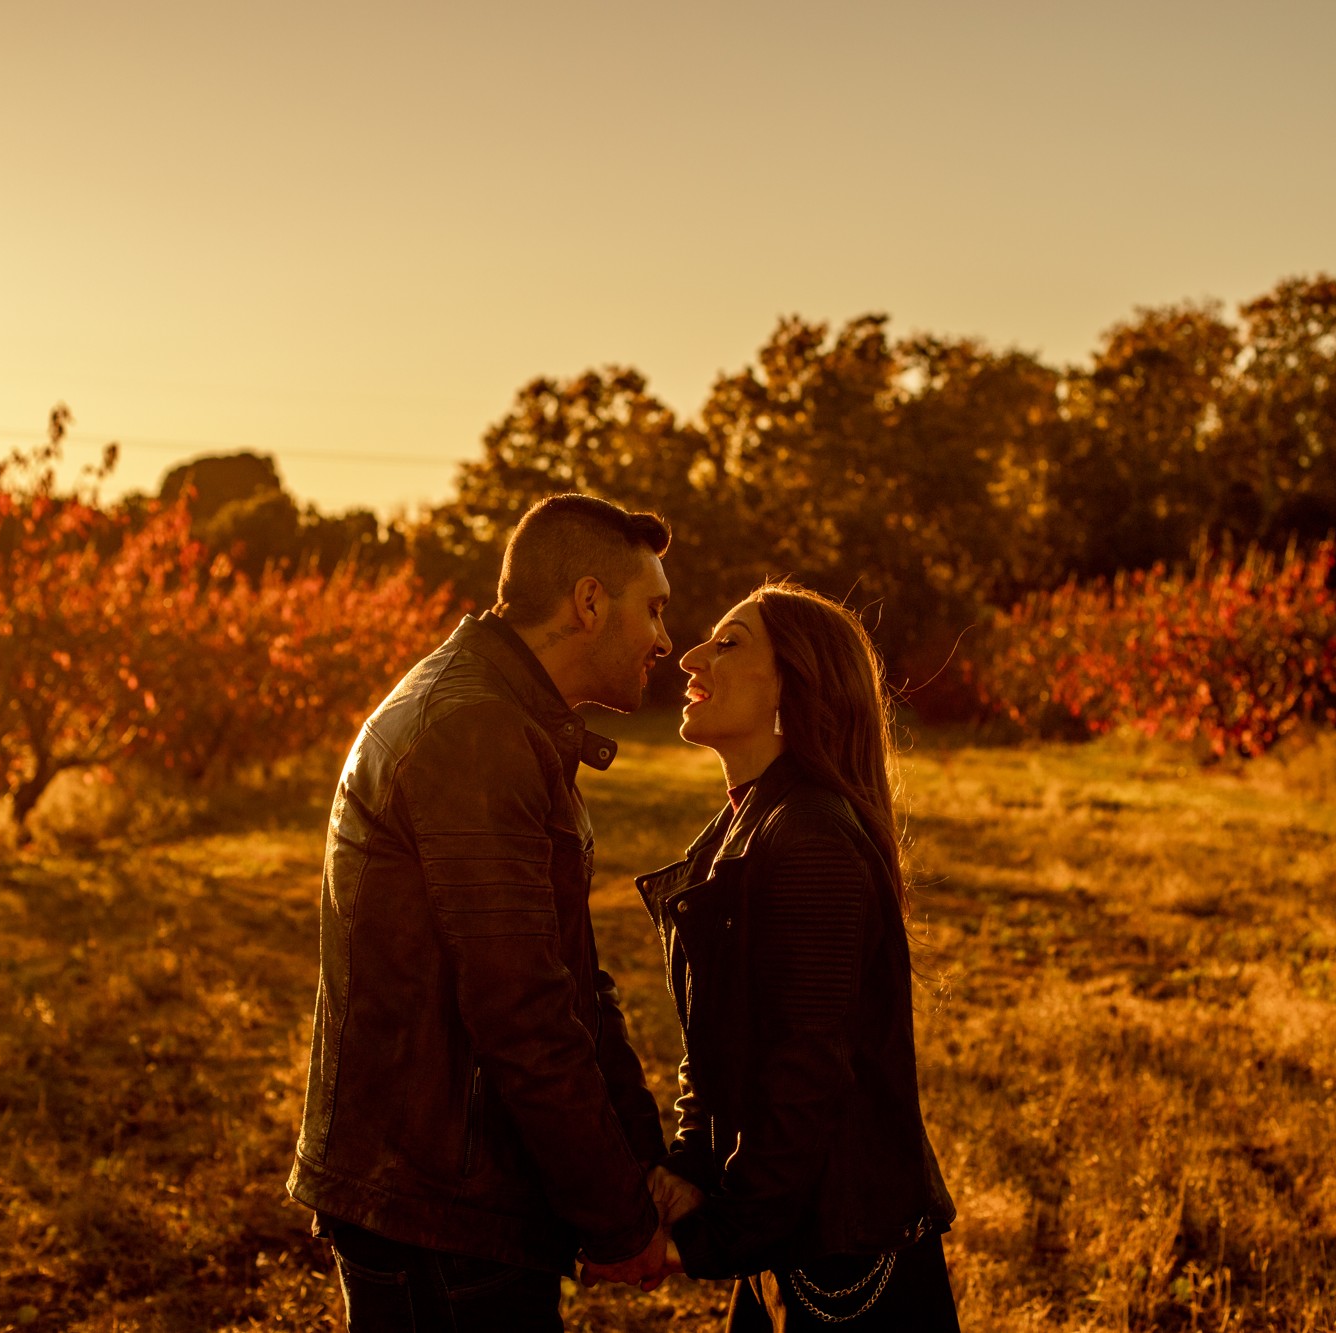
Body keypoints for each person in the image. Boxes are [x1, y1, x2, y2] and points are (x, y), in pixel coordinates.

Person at [286, 494, 682, 1331]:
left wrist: (640, 1160)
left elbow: (569, 973)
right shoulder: (476, 728)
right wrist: (617, 1216)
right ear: (586, 602)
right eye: (653, 609)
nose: (664, 640)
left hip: (443, 1192)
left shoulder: (505, 712)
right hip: (440, 1205)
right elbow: (520, 1006)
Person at [628, 581, 960, 1329]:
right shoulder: (749, 826)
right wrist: (689, 1167)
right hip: (795, 1244)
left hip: (847, 1260)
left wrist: (713, 1238)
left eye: (730, 641)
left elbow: (807, 1077)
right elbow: (717, 1045)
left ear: (794, 685)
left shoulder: (808, 840)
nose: (690, 656)